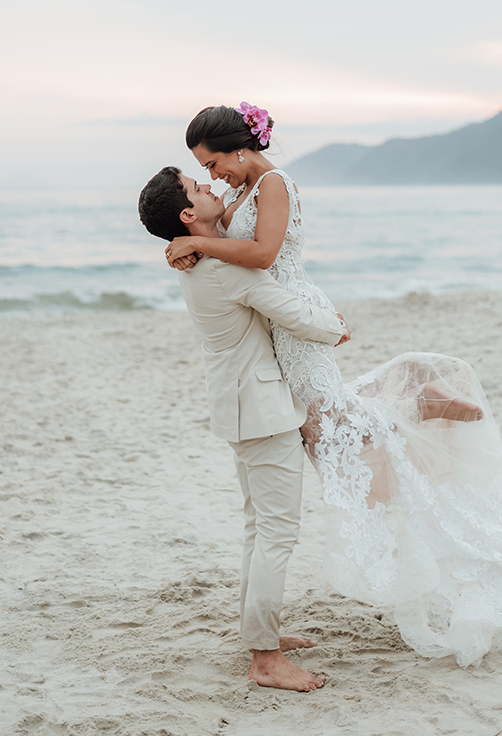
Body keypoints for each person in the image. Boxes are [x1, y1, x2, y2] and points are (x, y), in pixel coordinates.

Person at [163, 103, 502, 669]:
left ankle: (417, 402)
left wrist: (200, 245)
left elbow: (260, 255)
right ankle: (414, 399)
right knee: (329, 424)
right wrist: (194, 244)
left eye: (214, 163)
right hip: (279, 326)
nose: (214, 177)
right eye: (203, 172)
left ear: (239, 147)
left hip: (293, 319)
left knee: (327, 427)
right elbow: (233, 254)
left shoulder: (276, 183)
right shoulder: (237, 195)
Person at [138, 165, 351, 691]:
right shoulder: (223, 269)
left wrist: (190, 242)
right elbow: (296, 316)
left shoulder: (197, 262)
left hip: (238, 407)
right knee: (277, 531)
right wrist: (337, 328)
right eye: (197, 187)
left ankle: (263, 636)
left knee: (260, 527)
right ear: (188, 215)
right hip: (261, 411)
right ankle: (264, 659)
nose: (209, 185)